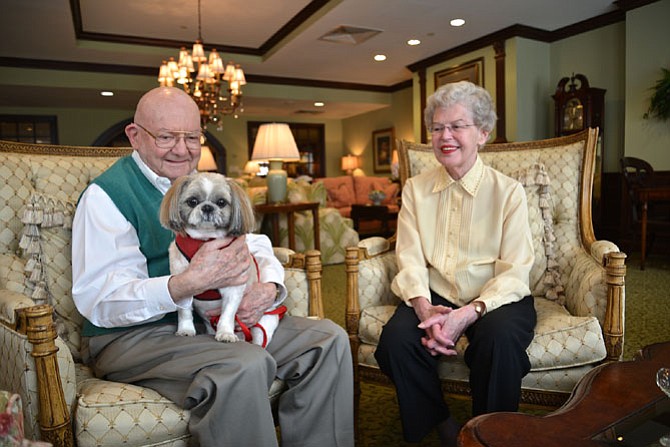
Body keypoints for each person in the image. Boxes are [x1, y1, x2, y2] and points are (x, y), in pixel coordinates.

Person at [71, 86, 354, 447]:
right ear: (135, 136)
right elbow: (100, 299)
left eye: (192, 137)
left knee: (327, 340)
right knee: (243, 365)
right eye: (166, 137)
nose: (182, 148)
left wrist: (268, 286)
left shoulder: (202, 184)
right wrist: (185, 284)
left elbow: (255, 243)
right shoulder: (107, 196)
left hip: (211, 321)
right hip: (133, 336)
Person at [374, 81, 536, 446]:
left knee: (499, 341)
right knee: (396, 342)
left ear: (482, 133)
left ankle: (488, 433)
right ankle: (444, 423)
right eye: (436, 127)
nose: (445, 136)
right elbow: (410, 256)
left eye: (456, 126)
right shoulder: (416, 189)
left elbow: (515, 269)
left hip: (496, 295)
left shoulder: (509, 192)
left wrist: (468, 314)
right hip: (434, 291)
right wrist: (422, 306)